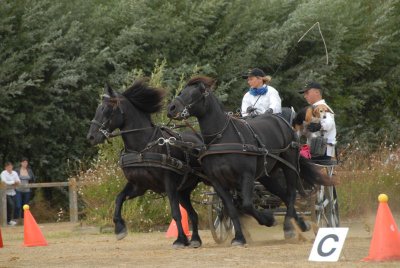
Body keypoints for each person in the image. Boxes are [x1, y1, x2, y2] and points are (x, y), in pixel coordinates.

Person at [298, 81, 336, 161]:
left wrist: (320, 126)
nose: (305, 96)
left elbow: (329, 124)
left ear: (317, 92)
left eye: (307, 93)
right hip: (315, 148)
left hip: (322, 150)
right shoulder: (312, 109)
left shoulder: (323, 107)